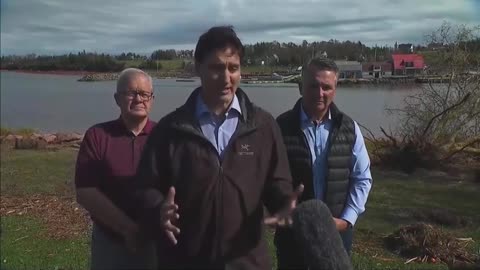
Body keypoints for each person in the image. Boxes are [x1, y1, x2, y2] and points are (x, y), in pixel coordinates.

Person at [133, 26, 303, 270]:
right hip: (184, 261)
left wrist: (285, 202)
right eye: (216, 68)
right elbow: (144, 188)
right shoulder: (171, 129)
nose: (226, 78)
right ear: (198, 68)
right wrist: (158, 208)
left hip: (247, 261)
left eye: (233, 68)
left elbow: (278, 182)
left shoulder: (263, 126)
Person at [274, 57, 373, 269]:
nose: (320, 93)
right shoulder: (279, 128)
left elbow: (362, 178)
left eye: (326, 87)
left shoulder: (349, 128)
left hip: (337, 234)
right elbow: (265, 179)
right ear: (301, 87)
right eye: (313, 86)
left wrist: (347, 220)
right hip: (293, 234)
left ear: (335, 89)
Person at [75, 68, 157, 270]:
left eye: (144, 94)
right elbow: (85, 191)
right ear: (117, 98)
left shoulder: (165, 136)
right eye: (131, 93)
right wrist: (127, 229)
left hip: (155, 242)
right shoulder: (98, 136)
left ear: (152, 99)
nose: (139, 99)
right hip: (110, 243)